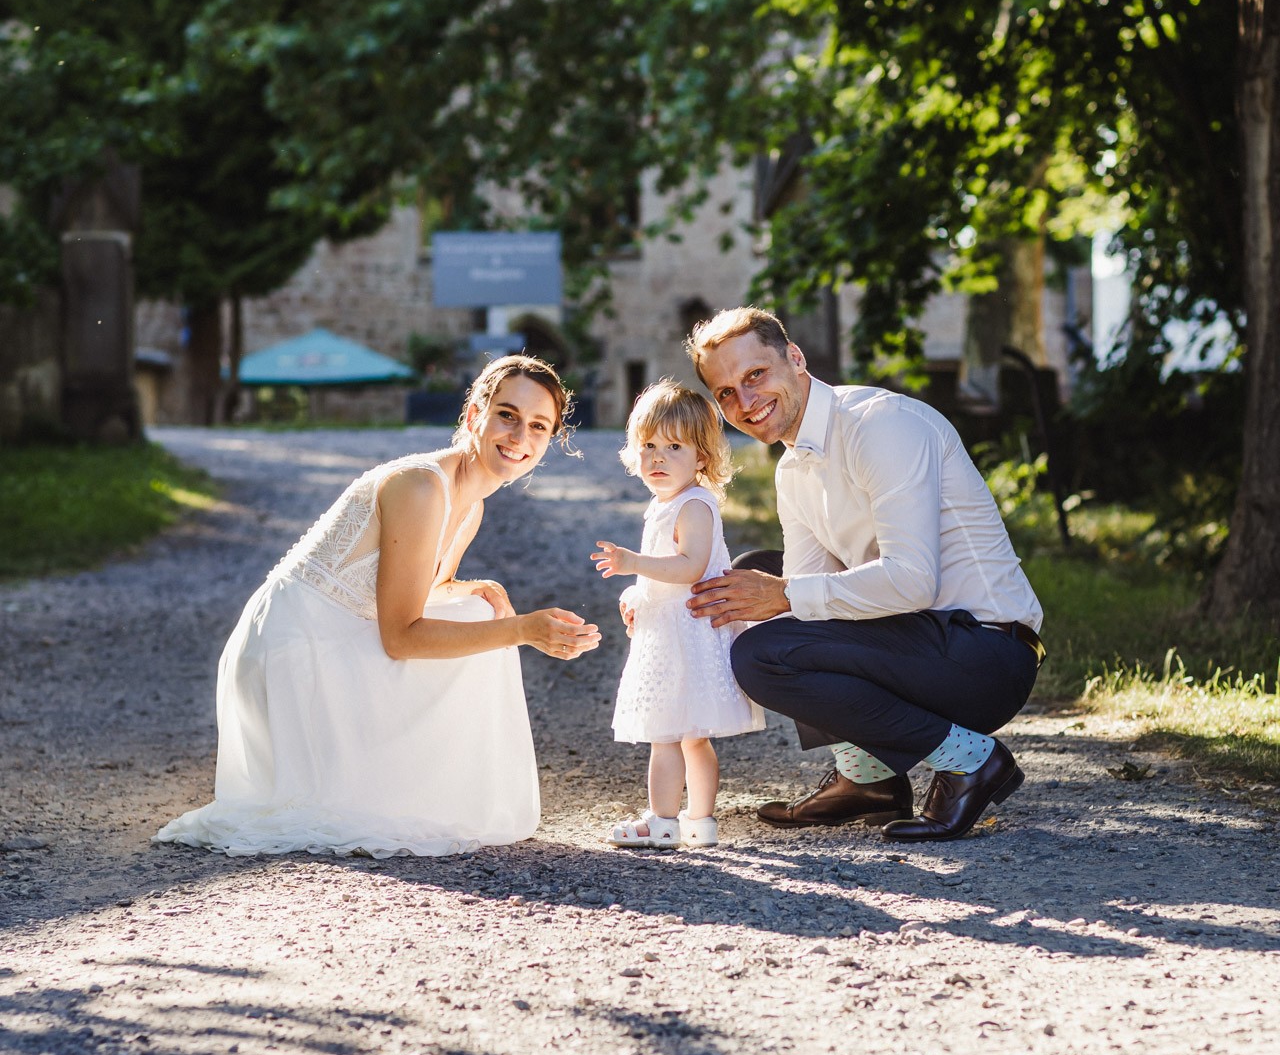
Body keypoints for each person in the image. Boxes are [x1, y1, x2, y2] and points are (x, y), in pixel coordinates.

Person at [155, 355, 600, 858]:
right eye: (507, 415)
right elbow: (402, 634)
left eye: (539, 426)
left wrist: (471, 587)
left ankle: (439, 790)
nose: (520, 436)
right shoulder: (422, 485)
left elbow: (412, 585)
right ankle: (406, 788)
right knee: (496, 628)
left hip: (334, 638)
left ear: (550, 440)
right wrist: (524, 629)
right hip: (293, 655)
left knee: (481, 613)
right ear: (475, 415)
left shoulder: (469, 505)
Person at [686, 309, 1045, 841]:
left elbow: (912, 580)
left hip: (987, 654)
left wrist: (784, 597)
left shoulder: (881, 425)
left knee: (762, 644)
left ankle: (973, 760)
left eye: (755, 375)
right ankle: (870, 780)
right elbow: (806, 601)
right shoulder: (793, 470)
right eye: (726, 393)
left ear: (796, 359)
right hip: (918, 641)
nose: (745, 401)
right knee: (751, 579)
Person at [593, 378, 763, 849]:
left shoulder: (695, 505)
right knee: (689, 737)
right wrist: (637, 594)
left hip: (686, 635)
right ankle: (699, 822)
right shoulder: (664, 503)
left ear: (702, 458)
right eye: (648, 446)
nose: (658, 458)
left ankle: (664, 821)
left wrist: (632, 564)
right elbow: (666, 574)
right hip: (671, 629)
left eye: (673, 447)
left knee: (669, 736)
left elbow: (690, 567)